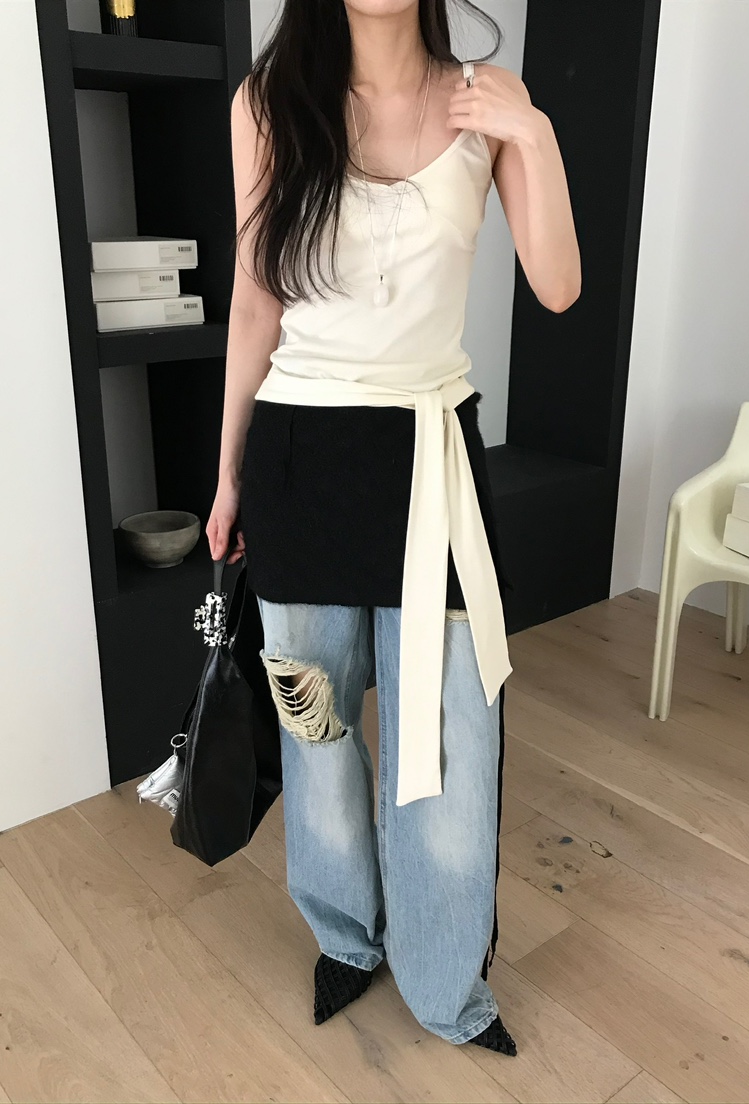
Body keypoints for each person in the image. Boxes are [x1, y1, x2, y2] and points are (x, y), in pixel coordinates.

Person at [207, 0, 580, 1055]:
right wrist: (227, 476)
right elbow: (254, 303)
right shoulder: (268, 105)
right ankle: (345, 935)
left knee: (450, 741)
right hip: (298, 460)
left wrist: (534, 132)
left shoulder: (485, 103)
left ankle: (443, 977)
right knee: (316, 729)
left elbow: (558, 288)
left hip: (433, 466)